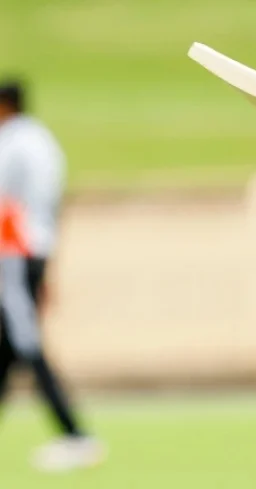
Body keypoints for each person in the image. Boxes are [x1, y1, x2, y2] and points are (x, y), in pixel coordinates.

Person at [0, 78, 104, 471]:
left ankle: (75, 435)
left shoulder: (11, 143)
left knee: (23, 340)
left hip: (14, 251)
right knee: (10, 346)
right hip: (35, 249)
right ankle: (75, 435)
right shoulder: (42, 140)